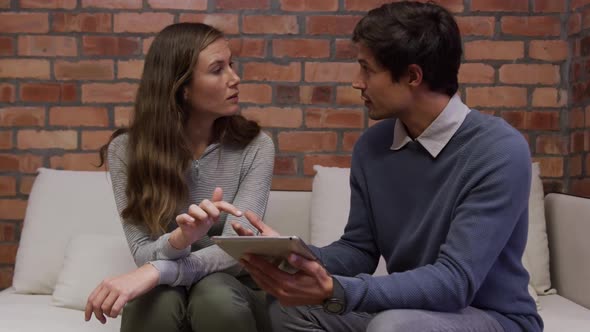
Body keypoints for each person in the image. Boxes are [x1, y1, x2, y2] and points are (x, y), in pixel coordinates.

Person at [233, 1, 543, 331]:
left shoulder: (498, 150)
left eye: (367, 69)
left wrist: (337, 291)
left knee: (394, 326)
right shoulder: (374, 145)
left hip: (495, 318)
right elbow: (358, 250)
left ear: (412, 76)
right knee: (290, 309)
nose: (357, 82)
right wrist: (294, 255)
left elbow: (455, 282)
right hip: (414, 311)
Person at [84, 22, 275, 332]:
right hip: (165, 294)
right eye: (217, 69)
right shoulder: (126, 151)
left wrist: (158, 271)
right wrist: (180, 239)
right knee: (156, 302)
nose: (235, 78)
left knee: (214, 296)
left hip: (233, 291)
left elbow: (240, 252)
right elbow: (142, 252)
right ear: (182, 88)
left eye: (232, 65)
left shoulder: (256, 146)